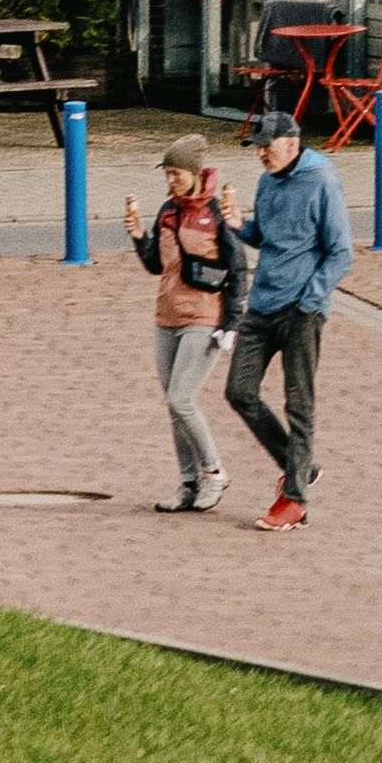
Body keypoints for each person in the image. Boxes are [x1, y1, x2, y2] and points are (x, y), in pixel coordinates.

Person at [225, 111, 349, 520]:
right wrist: (238, 225)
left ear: (292, 144)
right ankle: (300, 468)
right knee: (239, 391)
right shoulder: (267, 180)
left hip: (301, 311)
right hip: (261, 306)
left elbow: (340, 253)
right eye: (257, 147)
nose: (261, 153)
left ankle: (294, 500)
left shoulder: (322, 180)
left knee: (299, 404)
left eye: (268, 145)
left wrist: (310, 301)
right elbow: (265, 236)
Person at [143, 148, 244, 513]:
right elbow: (156, 265)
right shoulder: (167, 211)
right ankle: (188, 483)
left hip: (205, 317)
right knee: (174, 405)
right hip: (167, 315)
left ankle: (214, 472)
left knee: (181, 398)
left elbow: (237, 269)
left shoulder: (216, 213)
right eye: (167, 174)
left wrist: (232, 323)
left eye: (176, 173)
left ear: (195, 172)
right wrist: (140, 237)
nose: (171, 181)